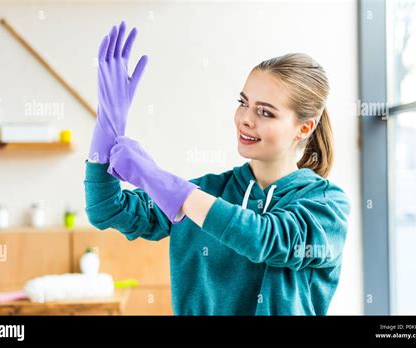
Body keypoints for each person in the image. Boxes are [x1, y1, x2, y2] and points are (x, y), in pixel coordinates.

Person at [85, 21, 351, 315]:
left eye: (265, 112)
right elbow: (106, 210)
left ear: (304, 127)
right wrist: (107, 125)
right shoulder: (208, 192)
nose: (245, 119)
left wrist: (169, 186)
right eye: (243, 103)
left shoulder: (326, 206)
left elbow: (264, 238)